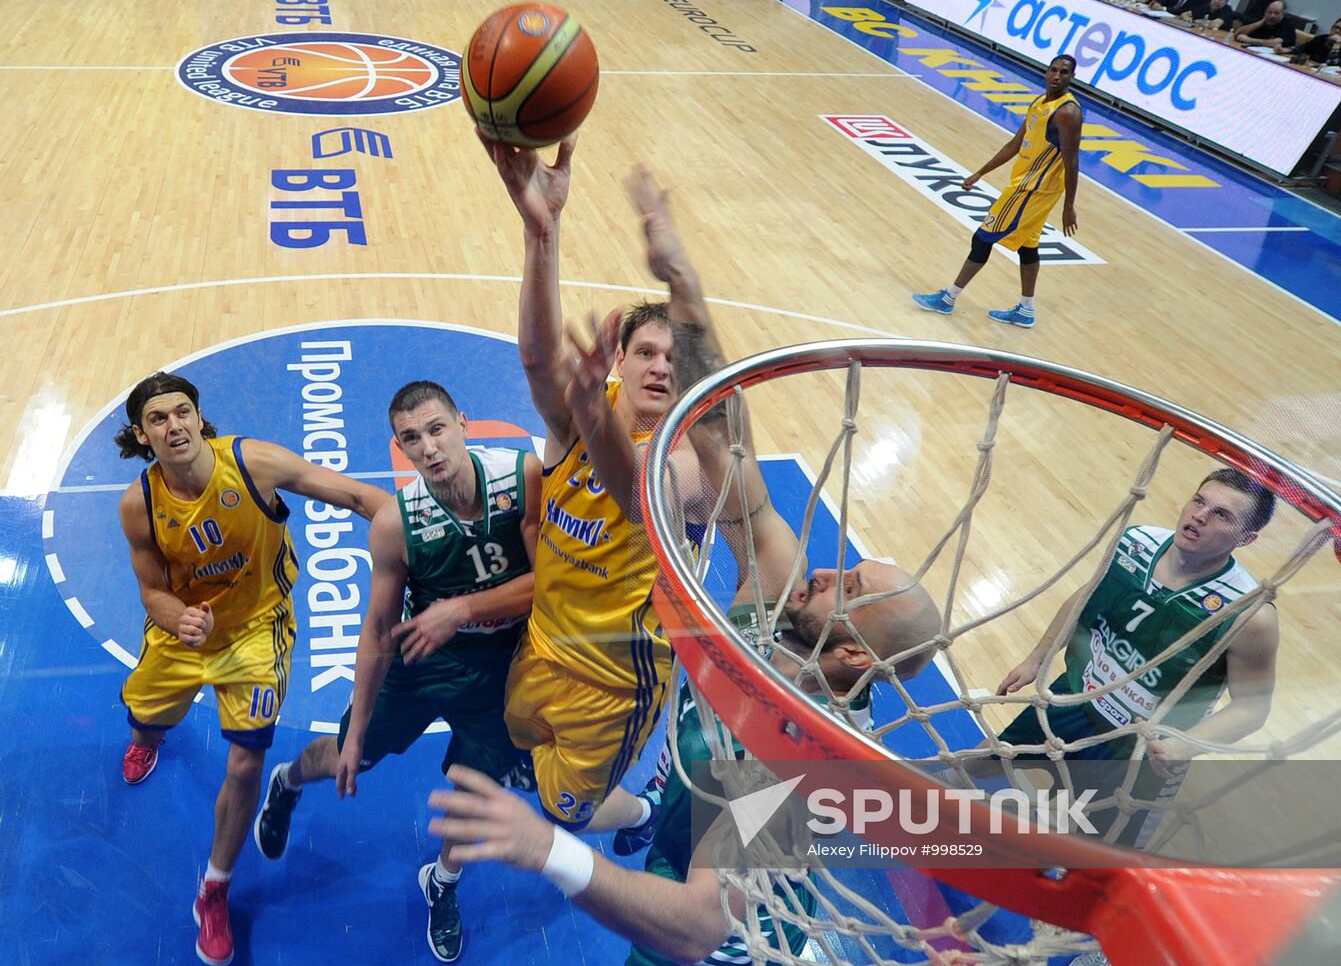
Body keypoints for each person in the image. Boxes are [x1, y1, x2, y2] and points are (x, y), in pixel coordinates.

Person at [426, 169, 942, 965]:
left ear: (851, 655)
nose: (829, 572)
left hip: (725, 938)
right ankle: (645, 804)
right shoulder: (766, 602)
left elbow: (699, 927)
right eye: (645, 353)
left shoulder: (792, 754)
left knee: (595, 841)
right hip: (608, 720)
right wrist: (683, 278)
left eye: (850, 588)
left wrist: (546, 851)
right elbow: (728, 438)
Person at [249, 380, 541, 963]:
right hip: (422, 663)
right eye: (412, 439)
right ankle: (287, 780)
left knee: (475, 790)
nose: (429, 448)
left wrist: (461, 609)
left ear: (463, 421)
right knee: (342, 754)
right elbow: (379, 631)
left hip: (503, 667)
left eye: (436, 430)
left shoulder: (522, 476)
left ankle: (443, 881)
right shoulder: (397, 523)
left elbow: (553, 587)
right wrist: (356, 732)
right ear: (400, 447)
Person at [115, 371, 389, 966]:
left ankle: (213, 888)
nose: (174, 426)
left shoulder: (251, 463)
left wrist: (421, 530)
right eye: (158, 419)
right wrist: (177, 617)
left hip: (256, 632)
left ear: (198, 417)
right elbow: (151, 591)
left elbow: (358, 497)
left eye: (182, 412)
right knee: (145, 719)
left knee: (245, 763)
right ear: (142, 435)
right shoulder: (139, 504)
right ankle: (148, 736)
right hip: (183, 632)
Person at [482, 137, 711, 840]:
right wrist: (539, 231)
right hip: (541, 646)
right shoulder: (589, 405)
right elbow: (535, 357)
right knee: (519, 743)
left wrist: (585, 412)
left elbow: (637, 491)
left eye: (674, 358)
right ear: (620, 359)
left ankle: (643, 811)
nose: (660, 367)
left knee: (562, 814)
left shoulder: (692, 458)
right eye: (646, 351)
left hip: (615, 687)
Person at [994, 469, 1279, 846]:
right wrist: (1037, 656)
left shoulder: (1249, 613)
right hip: (1075, 699)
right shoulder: (1135, 543)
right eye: (1199, 500)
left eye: (1222, 514)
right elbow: (1084, 597)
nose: (1199, 516)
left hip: (1139, 748)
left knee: (1095, 853)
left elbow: (1252, 709)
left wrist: (1182, 746)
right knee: (983, 762)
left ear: (1247, 538)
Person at [912, 55, 1082, 328]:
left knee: (982, 238)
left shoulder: (1068, 113)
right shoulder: (1040, 102)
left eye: (1064, 73)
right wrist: (980, 172)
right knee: (1028, 246)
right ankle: (1026, 310)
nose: (1057, 76)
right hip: (1027, 184)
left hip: (1033, 189)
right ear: (1046, 71)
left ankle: (948, 298)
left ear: (1072, 78)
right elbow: (1015, 144)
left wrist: (1068, 206)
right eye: (1053, 70)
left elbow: (1072, 161)